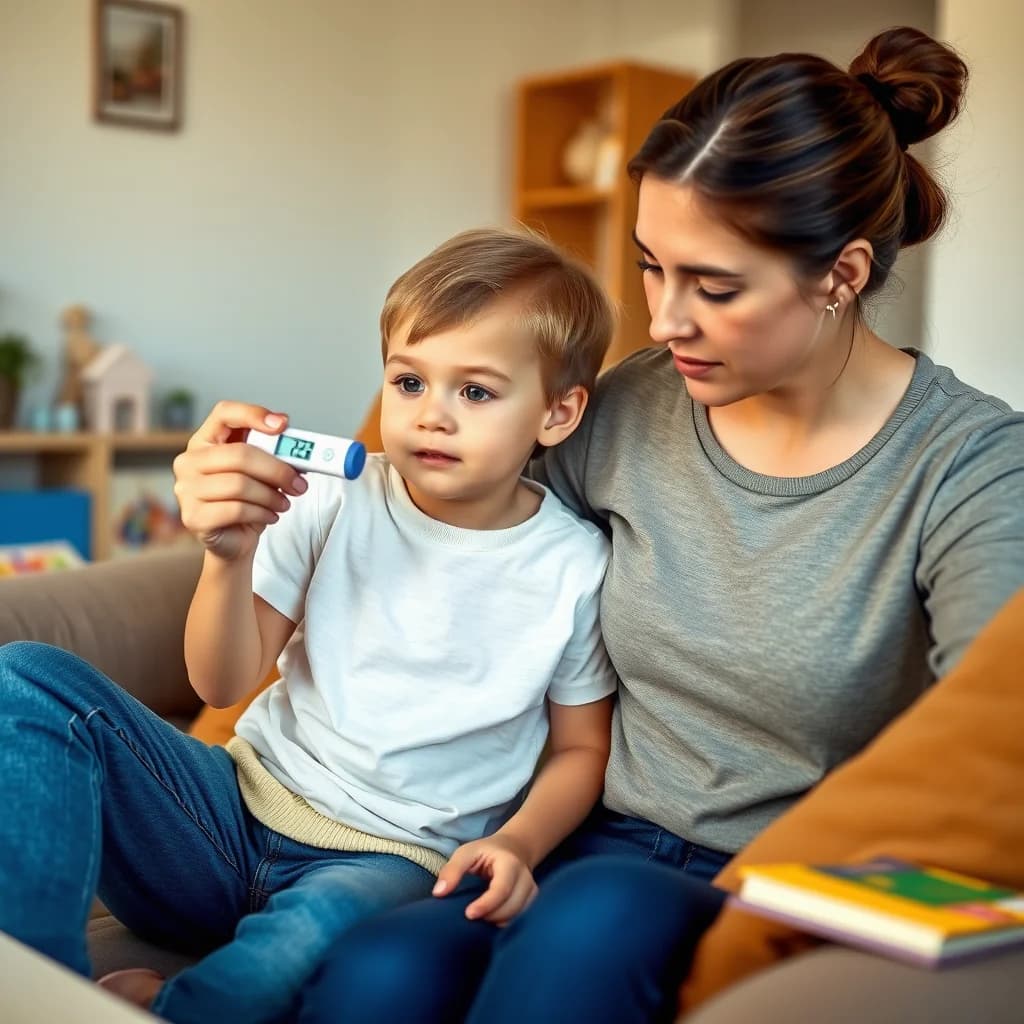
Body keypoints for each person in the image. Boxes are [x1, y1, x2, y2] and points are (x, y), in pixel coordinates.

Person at [296, 26, 1024, 1024]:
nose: (665, 319)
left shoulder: (971, 467)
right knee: (382, 969)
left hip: (764, 881)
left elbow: (993, 732)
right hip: (577, 839)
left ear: (842, 274)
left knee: (595, 917)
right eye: (652, 267)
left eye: (714, 287)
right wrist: (255, 511)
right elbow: (437, 512)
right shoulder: (636, 402)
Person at [0, 227, 620, 1023]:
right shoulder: (332, 498)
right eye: (408, 382)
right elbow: (219, 684)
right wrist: (227, 559)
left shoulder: (575, 567)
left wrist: (519, 842)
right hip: (224, 815)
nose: (430, 416)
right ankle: (36, 988)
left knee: (315, 936)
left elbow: (579, 750)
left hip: (385, 861)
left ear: (558, 413)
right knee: (25, 675)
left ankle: (168, 1006)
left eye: (475, 392)